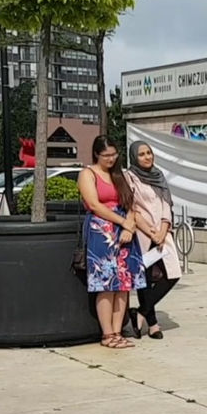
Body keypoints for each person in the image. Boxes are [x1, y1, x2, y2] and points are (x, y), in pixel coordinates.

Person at [77, 135, 147, 349]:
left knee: (124, 284)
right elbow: (94, 204)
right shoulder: (88, 174)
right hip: (102, 230)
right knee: (106, 284)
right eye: (106, 155)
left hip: (124, 231)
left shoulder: (120, 175)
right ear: (96, 154)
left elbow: (131, 204)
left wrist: (130, 225)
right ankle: (107, 333)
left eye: (114, 155)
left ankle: (117, 331)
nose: (110, 159)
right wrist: (123, 222)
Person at [123, 141, 182, 339]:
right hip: (143, 233)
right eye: (142, 154)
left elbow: (166, 204)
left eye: (149, 153)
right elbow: (132, 208)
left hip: (162, 232)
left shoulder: (158, 175)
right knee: (145, 279)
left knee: (173, 274)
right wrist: (150, 232)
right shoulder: (130, 177)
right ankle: (153, 324)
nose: (147, 157)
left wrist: (163, 230)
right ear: (134, 157)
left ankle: (140, 312)